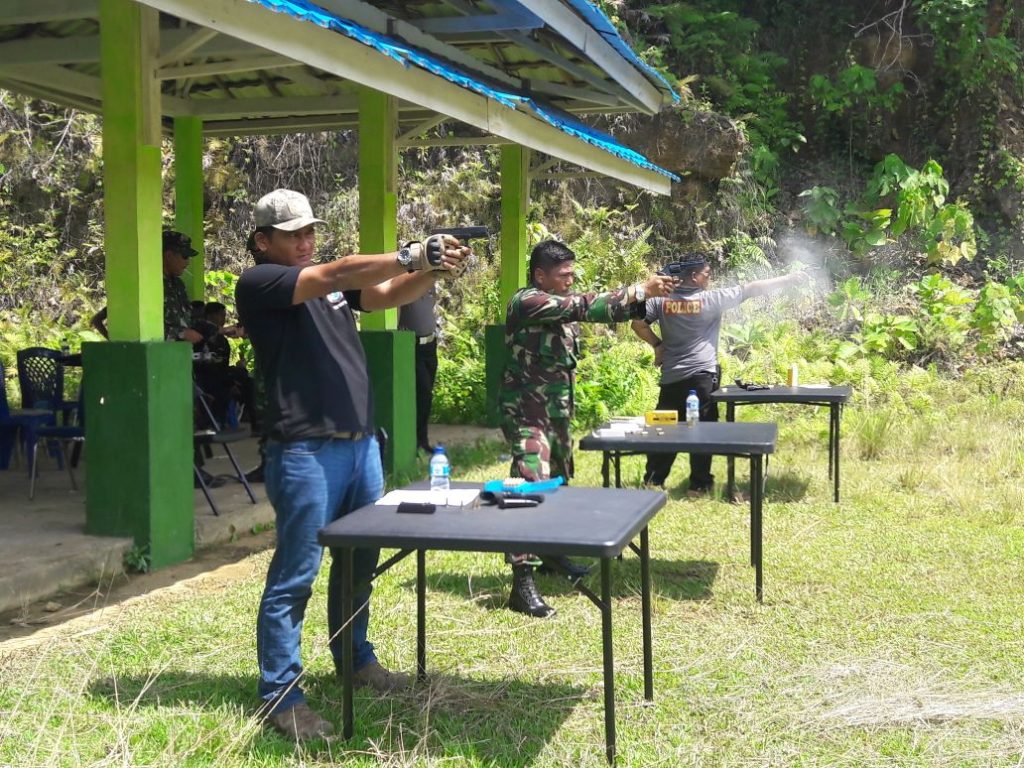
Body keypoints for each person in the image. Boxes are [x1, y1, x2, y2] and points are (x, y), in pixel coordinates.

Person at [235, 188, 469, 741]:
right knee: (296, 575)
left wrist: (435, 270)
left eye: (309, 231)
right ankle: (282, 696)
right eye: (292, 234)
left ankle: (355, 657)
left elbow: (386, 294)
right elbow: (341, 272)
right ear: (263, 241)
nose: (304, 241)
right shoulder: (262, 282)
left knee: (361, 559)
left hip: (360, 446)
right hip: (305, 451)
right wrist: (417, 251)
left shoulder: (329, 288)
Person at [498, 239, 676, 618]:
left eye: (572, 273)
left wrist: (644, 297)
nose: (570, 280)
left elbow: (607, 312)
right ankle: (521, 581)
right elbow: (581, 305)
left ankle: (551, 554)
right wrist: (637, 288)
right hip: (527, 412)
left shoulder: (561, 301)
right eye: (562, 274)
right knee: (530, 483)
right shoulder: (527, 301)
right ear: (539, 275)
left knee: (559, 481)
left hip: (557, 412)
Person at [631, 254, 808, 496]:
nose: (710, 277)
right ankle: (699, 485)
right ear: (693, 277)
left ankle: (653, 481)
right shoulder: (711, 300)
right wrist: (788, 279)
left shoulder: (661, 302)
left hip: (672, 377)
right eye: (706, 273)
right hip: (703, 377)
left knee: (666, 428)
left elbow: (637, 324)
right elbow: (752, 289)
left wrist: (657, 345)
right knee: (703, 431)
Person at [90, 230, 205, 344]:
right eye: (184, 256)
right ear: (169, 255)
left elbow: (186, 320)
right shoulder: (147, 284)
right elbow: (138, 326)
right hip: (153, 356)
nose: (188, 262)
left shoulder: (178, 285)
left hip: (177, 355)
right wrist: (114, 345)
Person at [398, 285, 438, 453]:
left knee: (426, 396)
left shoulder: (430, 283)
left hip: (430, 344)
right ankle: (413, 441)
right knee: (422, 392)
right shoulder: (404, 284)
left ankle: (423, 440)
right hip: (412, 345)